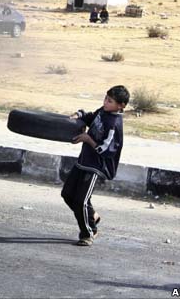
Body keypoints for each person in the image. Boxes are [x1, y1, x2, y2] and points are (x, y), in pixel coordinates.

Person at [61, 85, 130, 246]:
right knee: (67, 194)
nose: (105, 102)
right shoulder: (104, 111)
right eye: (106, 98)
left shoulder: (114, 124)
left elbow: (105, 150)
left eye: (110, 101)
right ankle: (92, 216)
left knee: (81, 201)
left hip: (96, 166)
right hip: (84, 160)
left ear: (121, 105)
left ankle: (88, 233)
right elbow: (91, 117)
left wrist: (88, 139)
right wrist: (78, 115)